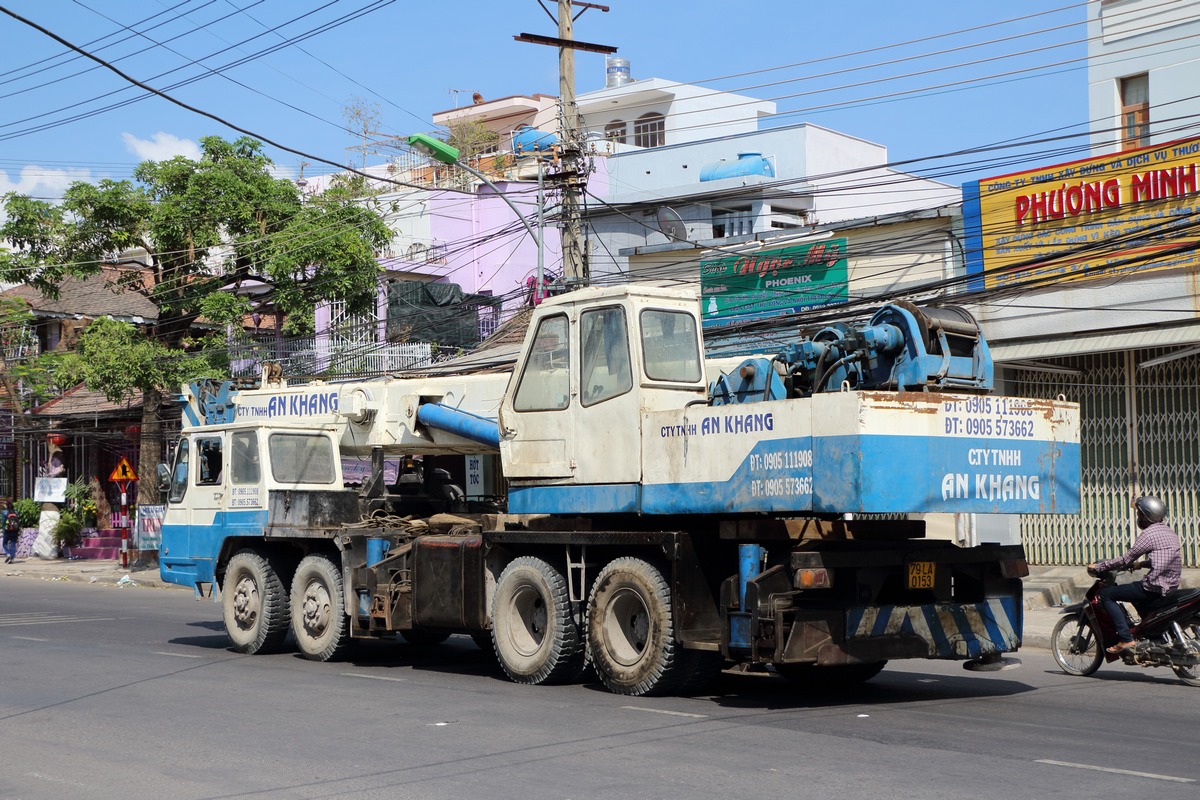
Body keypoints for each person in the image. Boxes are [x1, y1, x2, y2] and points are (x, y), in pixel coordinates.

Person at [1087, 495, 1182, 654]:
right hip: (1170, 584)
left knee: (1106, 595)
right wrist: (1142, 564)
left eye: (1139, 514)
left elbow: (1126, 559)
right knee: (1134, 594)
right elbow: (1164, 558)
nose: (1138, 517)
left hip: (1154, 586)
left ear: (1145, 516)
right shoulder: (1168, 532)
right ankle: (1148, 635)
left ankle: (1126, 638)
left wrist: (1100, 566)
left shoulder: (1148, 534)